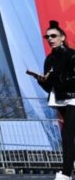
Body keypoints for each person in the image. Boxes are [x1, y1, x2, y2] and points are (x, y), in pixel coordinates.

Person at [35, 20, 75, 180]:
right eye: (47, 37)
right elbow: (49, 85)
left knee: (67, 134)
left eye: (53, 36)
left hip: (73, 96)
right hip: (60, 98)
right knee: (70, 133)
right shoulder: (49, 60)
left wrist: (57, 80)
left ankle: (65, 173)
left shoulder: (72, 55)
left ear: (62, 37)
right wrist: (42, 81)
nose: (50, 39)